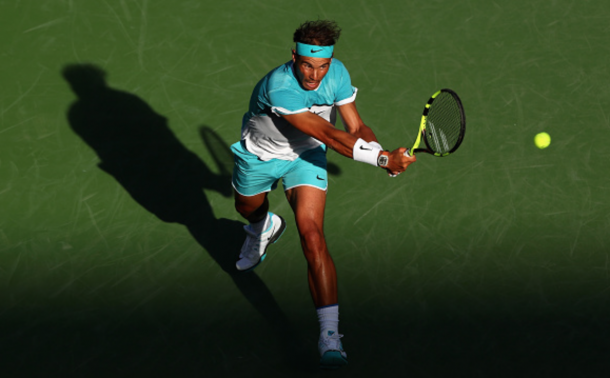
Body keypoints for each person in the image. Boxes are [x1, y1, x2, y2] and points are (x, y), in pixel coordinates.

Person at [230, 20, 416, 368]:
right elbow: (329, 134)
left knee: (313, 236)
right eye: (306, 65)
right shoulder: (279, 86)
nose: (314, 76)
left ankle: (329, 336)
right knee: (247, 207)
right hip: (261, 155)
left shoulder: (338, 74)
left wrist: (381, 153)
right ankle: (262, 227)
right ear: (294, 57)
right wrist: (379, 158)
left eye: (322, 66)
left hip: (306, 157)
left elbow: (355, 127)